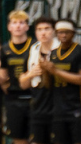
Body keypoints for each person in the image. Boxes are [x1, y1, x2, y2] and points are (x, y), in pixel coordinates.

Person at [40, 18, 81, 144]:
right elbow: (48, 85)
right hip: (58, 108)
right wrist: (45, 71)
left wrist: (56, 71)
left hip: (77, 107)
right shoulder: (52, 54)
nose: (63, 35)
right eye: (60, 32)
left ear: (73, 34)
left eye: (67, 32)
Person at [18, 16, 57, 144]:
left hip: (57, 103)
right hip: (38, 104)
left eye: (47, 29)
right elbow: (23, 84)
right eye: (39, 29)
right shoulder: (33, 50)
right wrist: (30, 74)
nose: (43, 33)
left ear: (54, 31)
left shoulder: (61, 50)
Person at [1, 9, 35, 144]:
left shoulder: (35, 46)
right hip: (14, 99)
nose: (18, 26)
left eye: (21, 23)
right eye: (14, 23)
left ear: (27, 26)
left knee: (36, 137)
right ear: (9, 27)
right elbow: (3, 78)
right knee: (18, 138)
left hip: (34, 97)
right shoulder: (5, 49)